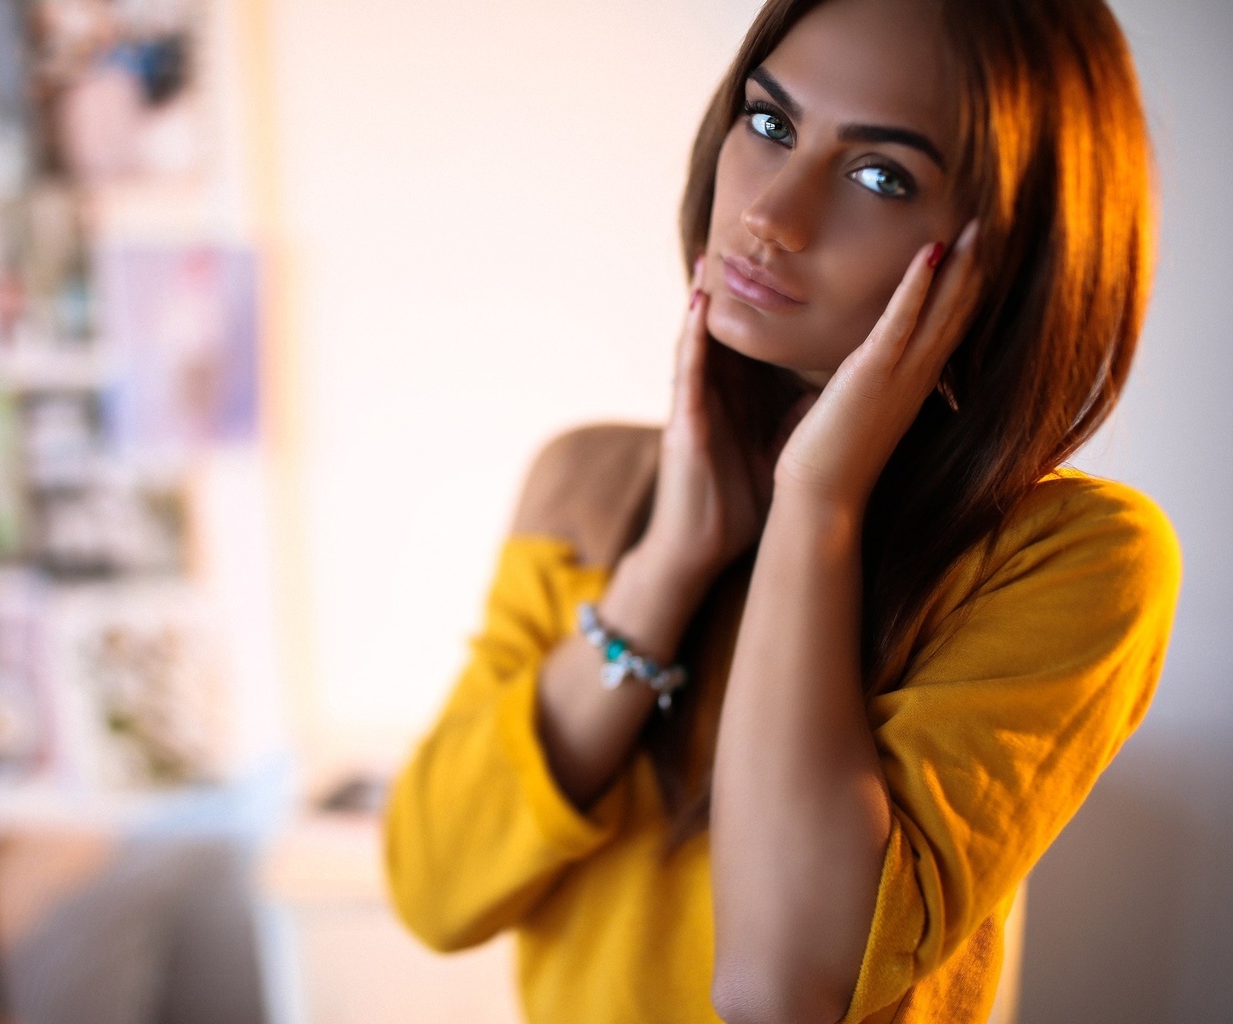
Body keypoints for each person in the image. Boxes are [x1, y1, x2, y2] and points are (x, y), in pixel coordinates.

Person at [384, 0, 1182, 1021]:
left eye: (879, 176)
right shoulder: (586, 483)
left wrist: (816, 504)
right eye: (769, 123)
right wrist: (664, 568)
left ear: (1012, 252)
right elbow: (431, 889)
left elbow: (778, 987)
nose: (772, 214)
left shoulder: (1071, 559)